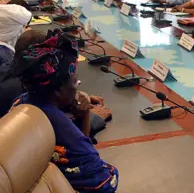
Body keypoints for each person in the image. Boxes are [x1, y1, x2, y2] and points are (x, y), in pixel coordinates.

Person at [13, 33, 118, 192]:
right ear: (57, 91)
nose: (78, 86)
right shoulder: (61, 128)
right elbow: (104, 182)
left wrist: (85, 115)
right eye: (76, 81)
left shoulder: (22, 102)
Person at [0, 29, 112, 134]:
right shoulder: (22, 91)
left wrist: (73, 97)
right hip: (9, 155)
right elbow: (66, 137)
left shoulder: (11, 69)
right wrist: (92, 117)